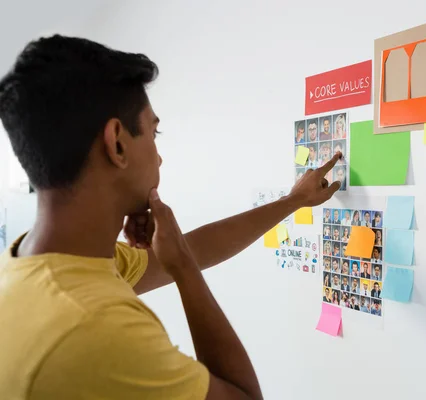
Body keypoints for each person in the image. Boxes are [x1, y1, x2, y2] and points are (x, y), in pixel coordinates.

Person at [0, 35, 344, 400]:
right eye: (153, 131)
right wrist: (183, 267)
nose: (159, 157)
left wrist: (292, 202)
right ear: (117, 143)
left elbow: (198, 248)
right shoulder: (94, 326)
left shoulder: (33, 265)